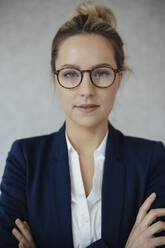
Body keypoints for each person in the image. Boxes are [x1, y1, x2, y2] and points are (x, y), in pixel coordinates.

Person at [0, 1, 165, 247]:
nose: (86, 90)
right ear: (55, 79)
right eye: (70, 74)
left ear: (118, 78)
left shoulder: (152, 158)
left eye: (101, 73)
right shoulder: (25, 158)